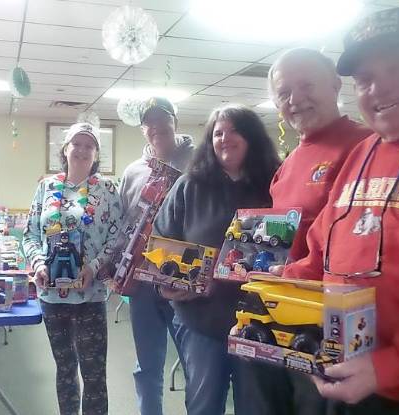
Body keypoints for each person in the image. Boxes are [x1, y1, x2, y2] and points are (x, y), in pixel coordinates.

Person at [280, 7, 399, 414]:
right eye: (365, 79)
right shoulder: (361, 154)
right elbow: (320, 257)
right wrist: (268, 295)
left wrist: (387, 367)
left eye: (398, 67)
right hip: (340, 373)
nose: (378, 88)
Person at [153, 103, 283, 415]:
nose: (225, 138)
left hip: (259, 322)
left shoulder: (275, 185)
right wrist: (168, 282)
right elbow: (160, 245)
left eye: (234, 131)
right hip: (200, 320)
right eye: (217, 133)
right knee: (203, 405)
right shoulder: (190, 185)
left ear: (252, 137)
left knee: (255, 406)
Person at [267, 47, 373, 414]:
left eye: (306, 85)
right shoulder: (289, 163)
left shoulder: (367, 145)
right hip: (286, 316)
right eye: (284, 92)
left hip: (335, 327)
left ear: (334, 85)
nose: (295, 100)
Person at [22, 122, 121, 415]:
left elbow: (116, 238)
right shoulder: (46, 187)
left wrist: (93, 266)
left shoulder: (106, 189)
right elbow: (29, 235)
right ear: (65, 149)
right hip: (52, 297)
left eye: (89, 145)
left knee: (94, 374)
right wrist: (39, 264)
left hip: (90, 297)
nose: (82, 150)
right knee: (64, 369)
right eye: (76, 144)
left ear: (96, 154)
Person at [115, 96, 195, 415]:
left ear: (175, 121)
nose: (156, 128)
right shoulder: (133, 172)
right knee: (146, 366)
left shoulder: (199, 164)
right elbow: (122, 225)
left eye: (163, 120)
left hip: (183, 284)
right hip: (142, 285)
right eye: (149, 122)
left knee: (194, 367)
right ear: (143, 129)